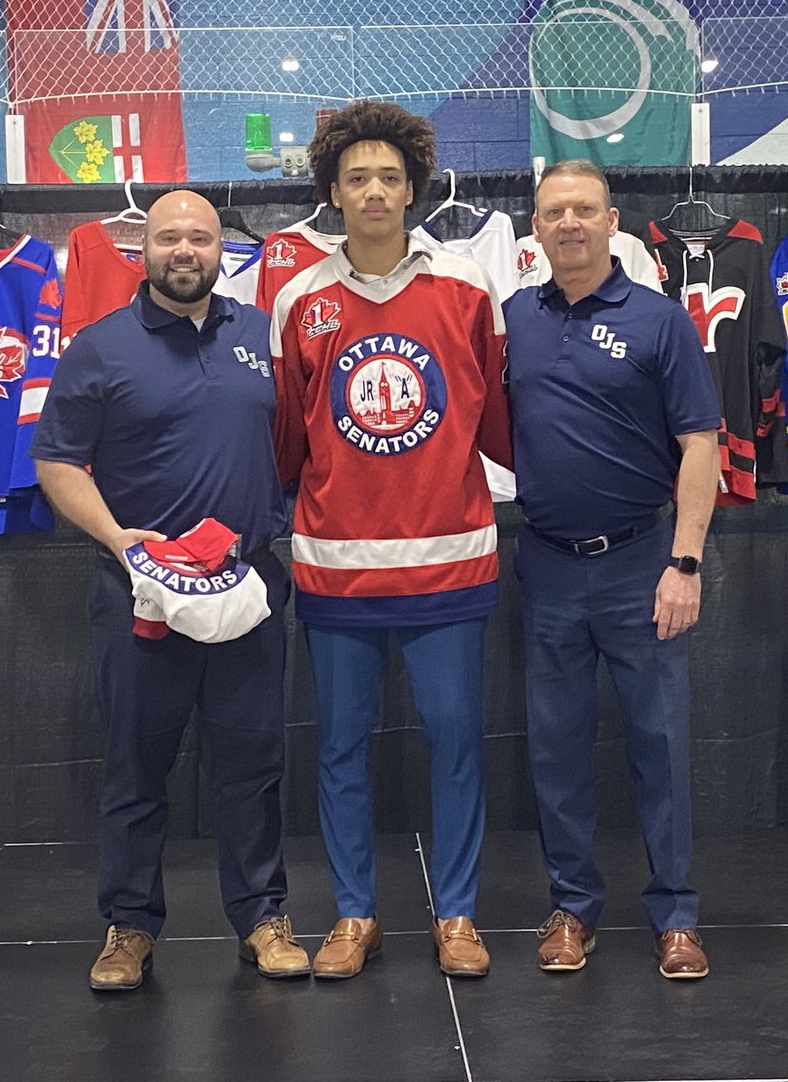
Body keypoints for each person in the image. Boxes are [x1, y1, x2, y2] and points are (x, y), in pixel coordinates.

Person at [31, 190, 309, 990]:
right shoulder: (98, 346)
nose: (183, 250)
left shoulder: (265, 335)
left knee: (253, 763)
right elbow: (55, 461)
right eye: (167, 238)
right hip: (139, 596)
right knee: (134, 766)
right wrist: (121, 541)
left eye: (199, 236)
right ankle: (128, 928)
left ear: (223, 248)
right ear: (143, 250)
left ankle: (263, 917)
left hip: (250, 586)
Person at [270, 101, 512, 979]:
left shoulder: (466, 288)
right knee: (338, 747)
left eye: (390, 177)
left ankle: (456, 915)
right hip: (336, 569)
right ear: (332, 192)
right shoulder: (299, 298)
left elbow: (500, 419)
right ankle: (352, 914)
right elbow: (289, 444)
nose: (375, 190)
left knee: (454, 738)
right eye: (357, 177)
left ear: (414, 189)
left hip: (451, 559)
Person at [503, 161, 721, 981]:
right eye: (554, 211)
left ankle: (676, 915)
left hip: (642, 563)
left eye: (584, 210)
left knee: (659, 746)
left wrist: (685, 562)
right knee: (556, 749)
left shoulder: (661, 321)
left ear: (612, 220)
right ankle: (573, 909)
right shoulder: (515, 319)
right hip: (549, 565)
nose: (569, 224)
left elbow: (700, 440)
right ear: (535, 228)